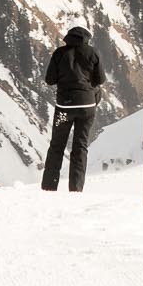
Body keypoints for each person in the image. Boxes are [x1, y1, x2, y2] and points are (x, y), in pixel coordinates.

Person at [40, 24, 104, 192]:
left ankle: (49, 187)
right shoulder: (93, 52)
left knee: (57, 146)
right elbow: (100, 80)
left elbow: (50, 80)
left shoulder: (59, 53)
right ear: (86, 39)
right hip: (87, 106)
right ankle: (76, 189)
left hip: (65, 106)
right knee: (80, 146)